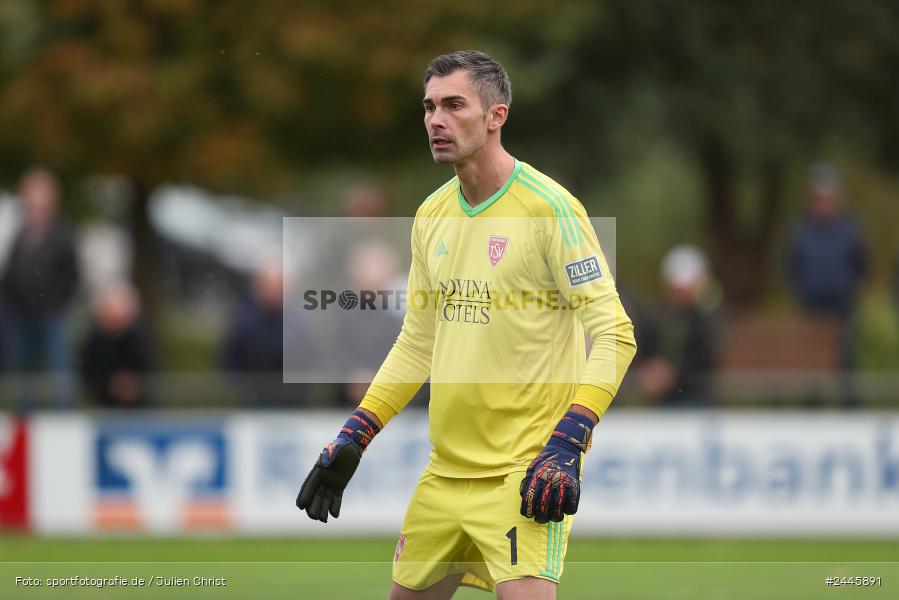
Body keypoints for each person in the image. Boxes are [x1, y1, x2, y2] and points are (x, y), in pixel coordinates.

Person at [296, 51, 636, 599]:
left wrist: (570, 439)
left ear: (495, 115)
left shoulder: (551, 209)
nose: (436, 120)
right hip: (443, 475)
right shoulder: (432, 215)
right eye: (429, 107)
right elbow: (417, 343)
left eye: (454, 105)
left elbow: (615, 332)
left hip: (525, 471)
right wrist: (358, 430)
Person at [787, 163, 867, 406]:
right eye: (819, 197)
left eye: (828, 197)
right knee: (812, 364)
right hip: (811, 304)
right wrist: (801, 290)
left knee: (846, 361)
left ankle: (851, 411)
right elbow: (791, 266)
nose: (824, 202)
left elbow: (862, 264)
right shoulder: (801, 229)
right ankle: (813, 412)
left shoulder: (850, 228)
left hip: (843, 304)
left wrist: (850, 288)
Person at [1, 167, 80, 408]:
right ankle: (25, 416)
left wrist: (57, 303)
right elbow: (11, 274)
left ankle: (63, 415)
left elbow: (72, 274)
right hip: (21, 315)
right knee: (24, 372)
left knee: (58, 370)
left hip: (51, 314)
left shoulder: (62, 233)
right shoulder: (20, 234)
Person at [634, 245, 719, 407]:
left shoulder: (706, 318)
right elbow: (643, 350)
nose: (680, 293)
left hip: (694, 395)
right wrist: (649, 372)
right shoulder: (656, 315)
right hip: (660, 400)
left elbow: (707, 359)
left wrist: (673, 376)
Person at [79, 282, 153, 407]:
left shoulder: (139, 339)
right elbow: (86, 373)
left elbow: (149, 370)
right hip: (103, 407)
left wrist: (132, 384)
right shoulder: (95, 341)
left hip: (139, 409)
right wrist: (110, 385)